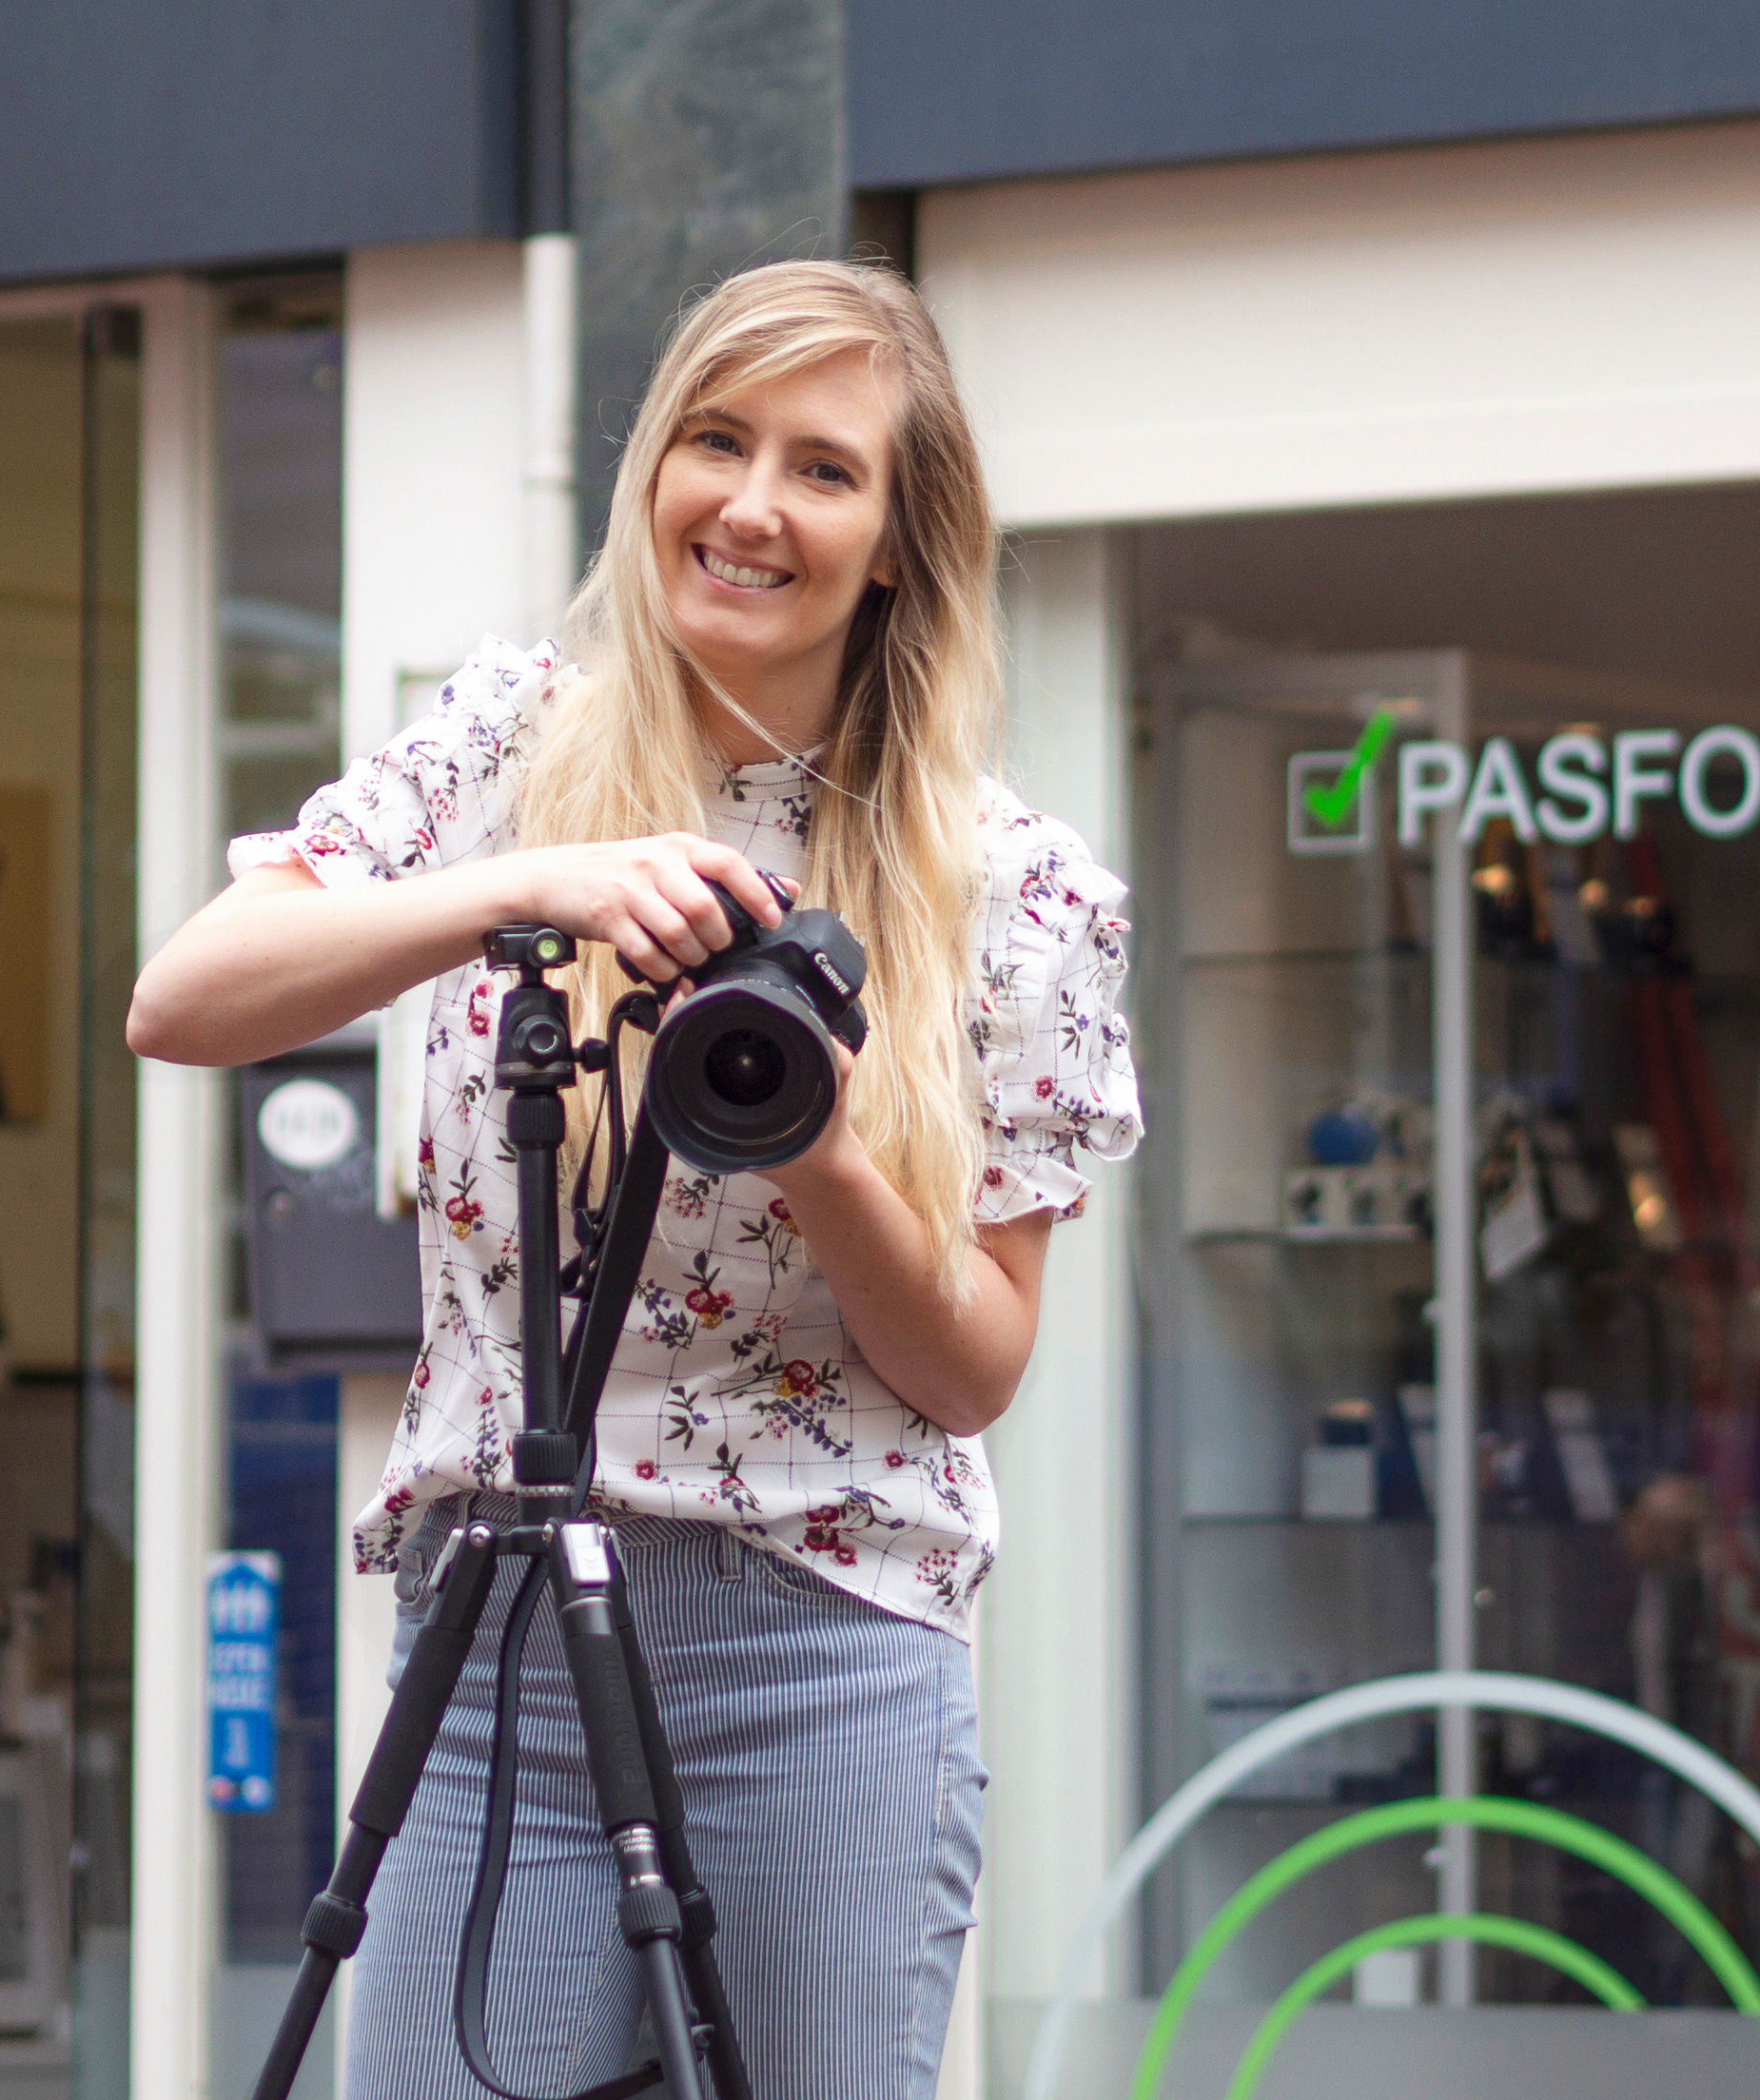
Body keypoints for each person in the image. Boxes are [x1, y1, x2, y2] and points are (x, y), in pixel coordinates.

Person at [129, 260, 1137, 2100]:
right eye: (714, 439)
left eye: (823, 470)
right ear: (651, 467)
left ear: (899, 538)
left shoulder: (1017, 891)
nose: (750, 505)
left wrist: (817, 1138)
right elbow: (179, 999)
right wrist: (531, 887)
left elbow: (974, 1366)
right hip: (497, 1619)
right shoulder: (511, 741)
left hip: (822, 1645)